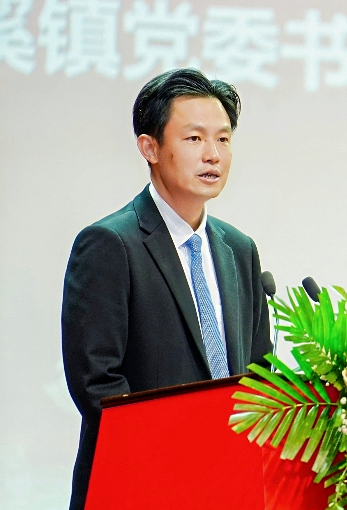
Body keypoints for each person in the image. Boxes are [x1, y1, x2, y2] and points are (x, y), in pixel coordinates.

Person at [61, 68, 271, 510]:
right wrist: (181, 459)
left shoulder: (239, 249)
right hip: (141, 485)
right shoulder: (110, 244)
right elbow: (97, 383)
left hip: (228, 486)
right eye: (194, 138)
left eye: (223, 139)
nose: (212, 155)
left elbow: (258, 373)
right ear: (150, 147)